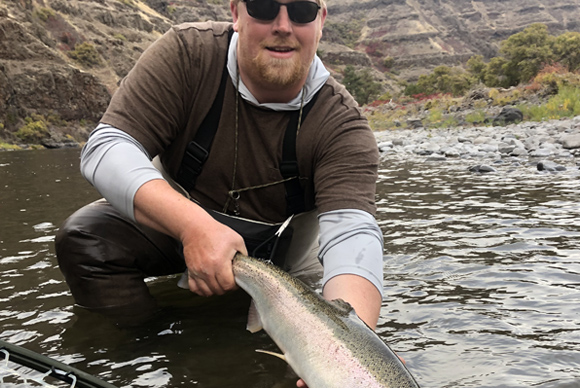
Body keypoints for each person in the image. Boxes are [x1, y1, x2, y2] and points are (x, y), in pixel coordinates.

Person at [55, 0, 383, 347]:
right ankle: (153, 347)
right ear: (236, 13)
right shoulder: (187, 54)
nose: (283, 26)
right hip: (176, 230)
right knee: (85, 240)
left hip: (283, 265)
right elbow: (106, 146)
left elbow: (352, 236)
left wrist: (356, 351)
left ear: (320, 22)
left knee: (308, 356)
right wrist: (193, 226)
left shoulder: (343, 125)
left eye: (302, 11)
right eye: (264, 6)